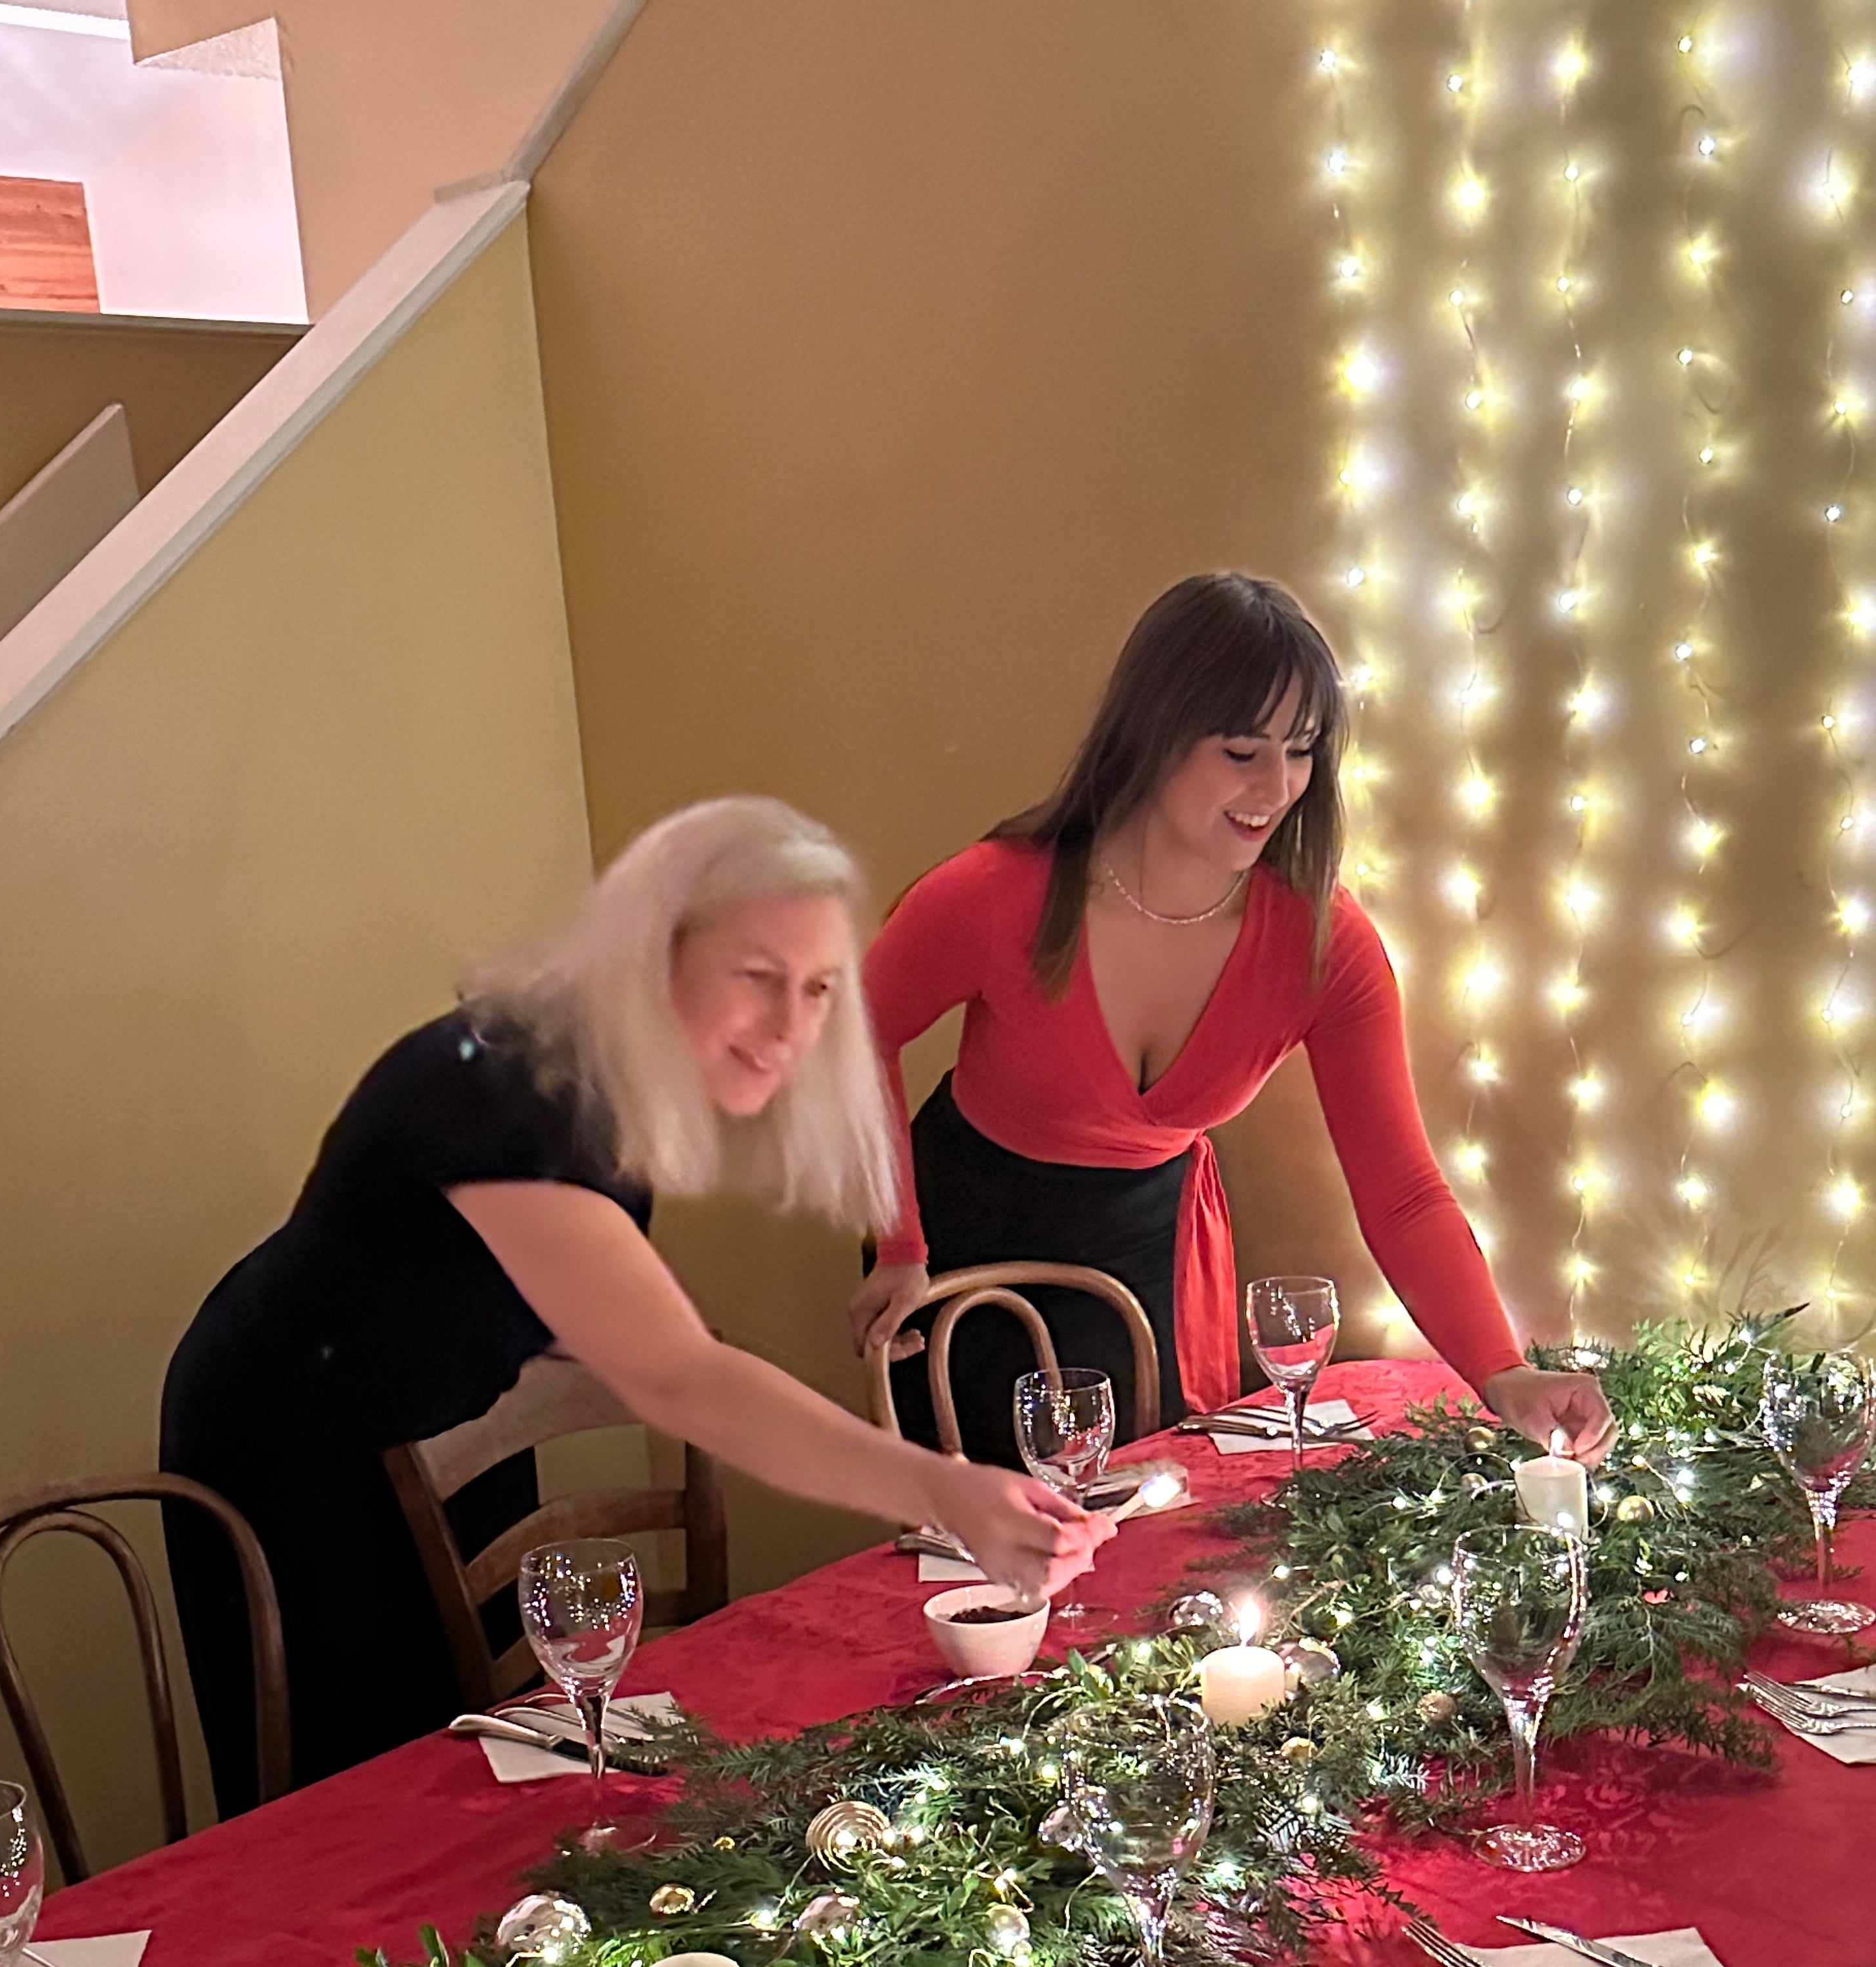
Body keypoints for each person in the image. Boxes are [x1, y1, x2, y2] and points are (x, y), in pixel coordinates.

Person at [161, 797, 1111, 1810]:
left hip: (436, 1402)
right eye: (758, 979)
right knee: (350, 1796)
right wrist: (947, 1489)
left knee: (468, 1762)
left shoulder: (609, 1075)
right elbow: (681, 1376)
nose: (793, 1028)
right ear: (656, 951)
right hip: (292, 1436)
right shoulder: (508, 1100)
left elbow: (616, 1324)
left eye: (820, 989)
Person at [851, 572, 1616, 1469]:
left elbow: (1404, 1193)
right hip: (958, 1244)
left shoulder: (1327, 945)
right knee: (974, 1573)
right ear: (1155, 733)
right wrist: (898, 1239)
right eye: (1242, 751)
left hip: (1151, 1255)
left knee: (1138, 1545)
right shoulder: (997, 893)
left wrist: (1502, 1372)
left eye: (1302, 751)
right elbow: (854, 1035)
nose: (1279, 786)